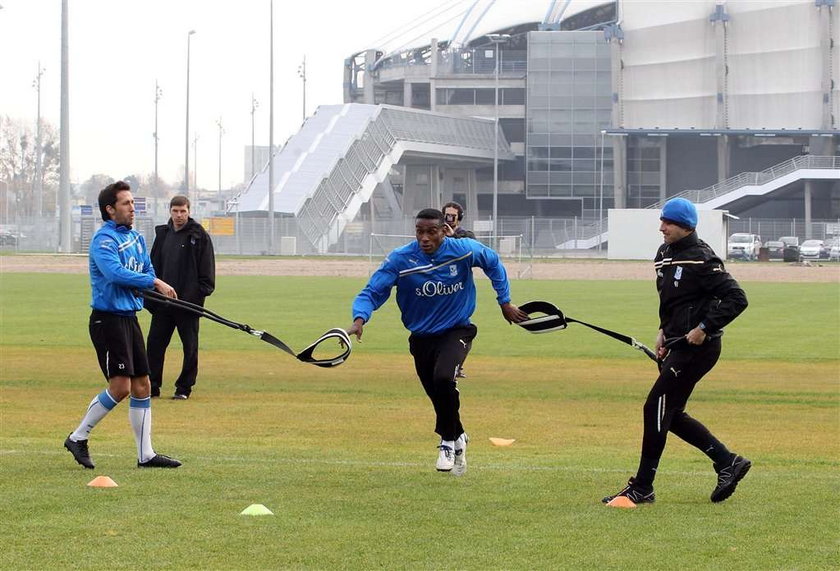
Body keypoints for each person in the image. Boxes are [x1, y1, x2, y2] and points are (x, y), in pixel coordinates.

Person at [348, 208, 527, 475]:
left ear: (444, 231)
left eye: (431, 231)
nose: (425, 238)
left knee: (444, 379)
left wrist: (505, 301)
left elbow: (493, 262)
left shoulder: (464, 250)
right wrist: (359, 318)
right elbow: (374, 290)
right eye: (420, 231)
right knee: (437, 394)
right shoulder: (401, 259)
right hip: (421, 338)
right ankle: (459, 434)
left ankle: (446, 442)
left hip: (457, 330)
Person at [602, 197, 750, 504]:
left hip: (699, 349)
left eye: (667, 223)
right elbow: (669, 301)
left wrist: (704, 329)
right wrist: (661, 331)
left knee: (654, 407)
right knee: (670, 413)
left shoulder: (703, 259)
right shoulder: (664, 255)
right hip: (673, 346)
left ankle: (642, 486)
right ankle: (727, 461)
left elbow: (737, 298)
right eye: (662, 221)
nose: (661, 228)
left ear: (684, 226)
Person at [64, 181, 182, 469]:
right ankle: (78, 437)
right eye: (126, 203)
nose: (132, 208)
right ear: (110, 209)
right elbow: (115, 274)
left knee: (143, 385)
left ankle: (146, 455)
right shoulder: (103, 241)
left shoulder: (137, 239)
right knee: (120, 387)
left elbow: (146, 268)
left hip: (129, 318)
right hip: (108, 320)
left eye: (132, 202)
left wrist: (151, 280)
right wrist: (153, 282)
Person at [146, 195, 215, 400]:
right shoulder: (163, 234)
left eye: (183, 211)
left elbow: (207, 270)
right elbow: (152, 266)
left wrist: (199, 295)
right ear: (170, 211)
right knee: (155, 345)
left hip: (188, 304)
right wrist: (152, 297)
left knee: (190, 347)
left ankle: (184, 388)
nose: (179, 215)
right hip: (163, 303)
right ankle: (153, 386)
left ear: (189, 211)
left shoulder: (198, 235)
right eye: (175, 211)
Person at [442, 201, 475, 378]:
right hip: (439, 286)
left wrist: (452, 235)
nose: (449, 218)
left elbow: (472, 248)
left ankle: (457, 366)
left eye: (452, 216)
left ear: (459, 218)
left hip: (459, 288)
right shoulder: (436, 233)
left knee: (464, 330)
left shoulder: (465, 235)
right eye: (446, 215)